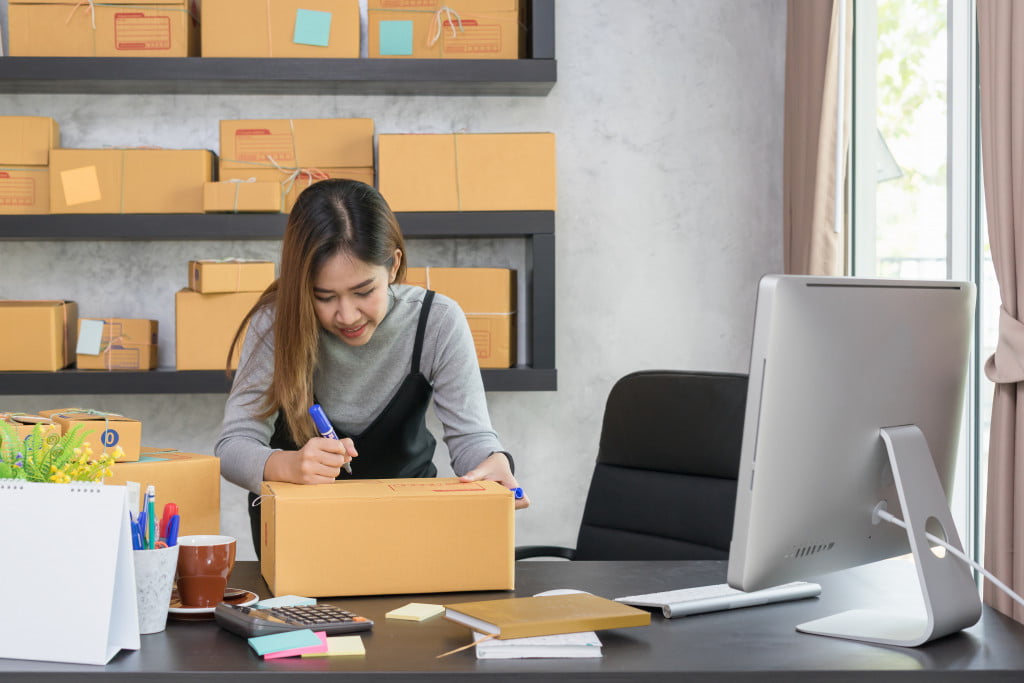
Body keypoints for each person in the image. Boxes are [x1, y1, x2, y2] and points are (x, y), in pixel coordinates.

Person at [215, 179, 529, 551]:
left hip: (408, 529)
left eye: (364, 291)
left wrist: (491, 464)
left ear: (393, 265)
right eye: (324, 296)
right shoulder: (275, 323)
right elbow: (232, 447)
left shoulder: (437, 320)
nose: (347, 315)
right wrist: (286, 465)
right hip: (301, 536)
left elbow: (470, 438)